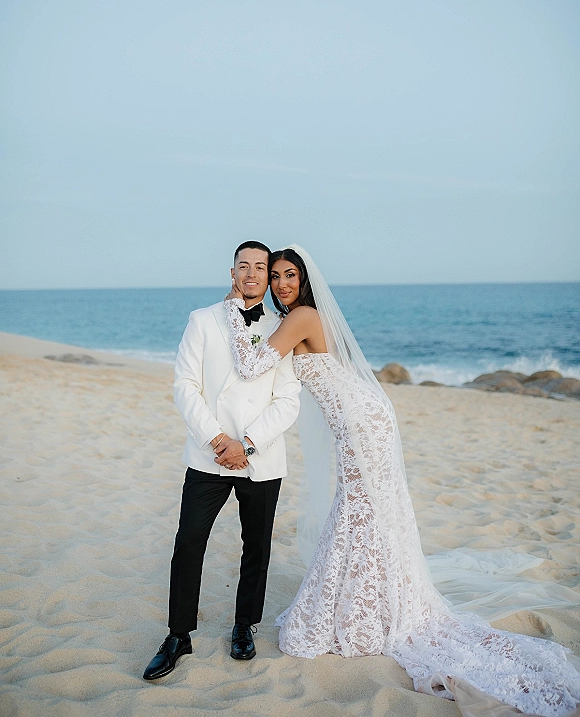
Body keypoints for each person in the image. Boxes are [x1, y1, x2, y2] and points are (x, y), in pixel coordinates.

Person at [222, 244, 580, 717]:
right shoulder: (298, 317)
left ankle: (370, 607)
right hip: (363, 416)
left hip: (362, 422)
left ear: (304, 280)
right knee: (365, 507)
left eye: (290, 275)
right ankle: (368, 599)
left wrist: (232, 302)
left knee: (363, 506)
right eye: (277, 277)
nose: (282, 283)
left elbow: (251, 365)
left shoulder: (302, 315)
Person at [143, 241, 301, 681]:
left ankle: (244, 626)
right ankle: (178, 635)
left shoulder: (281, 326)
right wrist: (217, 439)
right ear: (232, 272)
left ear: (269, 275)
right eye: (244, 266)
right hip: (207, 453)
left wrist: (245, 443)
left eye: (261, 268)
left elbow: (288, 401)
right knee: (189, 542)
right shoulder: (202, 320)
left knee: (257, 547)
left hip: (260, 456)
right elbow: (184, 385)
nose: (252, 274)